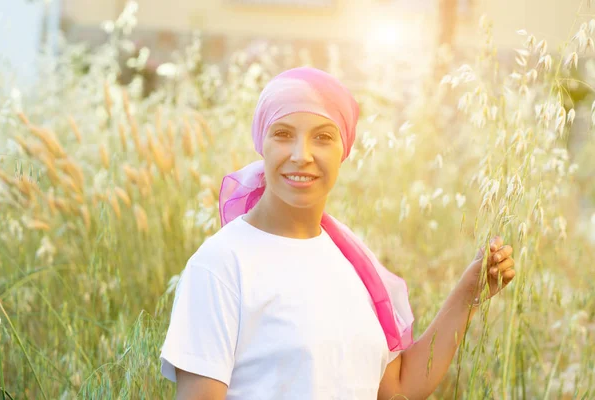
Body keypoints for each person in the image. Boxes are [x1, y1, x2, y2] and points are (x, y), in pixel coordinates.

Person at [159, 67, 516, 400]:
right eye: (283, 134)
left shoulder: (353, 262)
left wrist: (470, 294)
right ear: (260, 142)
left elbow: (400, 387)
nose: (302, 155)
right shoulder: (221, 265)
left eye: (323, 137)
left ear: (343, 149)